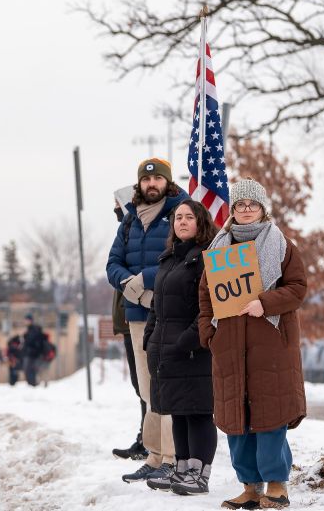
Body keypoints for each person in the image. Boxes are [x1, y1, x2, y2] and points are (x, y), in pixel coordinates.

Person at [199, 179, 307, 510]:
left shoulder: (282, 245)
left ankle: (276, 485)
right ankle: (249, 487)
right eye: (240, 205)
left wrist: (266, 302)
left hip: (270, 344)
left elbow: (298, 287)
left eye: (253, 205)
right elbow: (204, 297)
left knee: (270, 417)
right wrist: (209, 335)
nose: (246, 210)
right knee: (237, 420)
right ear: (232, 211)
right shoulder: (219, 248)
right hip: (229, 347)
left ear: (262, 209)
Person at [107, 157, 188, 484]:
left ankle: (171, 458)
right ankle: (154, 455)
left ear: (167, 183)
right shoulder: (128, 222)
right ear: (139, 184)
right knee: (147, 389)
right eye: (146, 180)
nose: (151, 185)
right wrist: (130, 284)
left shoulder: (180, 215)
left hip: (170, 313)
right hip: (138, 315)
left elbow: (184, 257)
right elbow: (113, 262)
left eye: (157, 181)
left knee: (166, 386)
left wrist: (144, 279)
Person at [142, 200, 218, 495]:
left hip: (192, 349)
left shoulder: (208, 257)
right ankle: (182, 467)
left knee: (198, 411)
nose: (182, 221)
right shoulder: (169, 258)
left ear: (201, 222)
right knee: (178, 411)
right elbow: (156, 306)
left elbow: (211, 307)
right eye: (178, 217)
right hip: (166, 350)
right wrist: (151, 338)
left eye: (189, 217)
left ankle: (200, 474)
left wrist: (188, 339)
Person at [111, 195, 149, 461]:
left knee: (149, 384)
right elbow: (114, 265)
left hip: (146, 314)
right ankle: (145, 437)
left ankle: (151, 441)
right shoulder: (125, 230)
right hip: (128, 318)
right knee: (140, 385)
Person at [21, 315, 45, 386]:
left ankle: (32, 384)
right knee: (29, 369)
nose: (25, 322)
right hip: (31, 353)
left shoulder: (33, 329)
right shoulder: (30, 329)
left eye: (26, 320)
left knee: (29, 370)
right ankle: (32, 384)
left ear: (30, 320)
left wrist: (25, 336)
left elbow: (31, 341)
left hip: (32, 353)